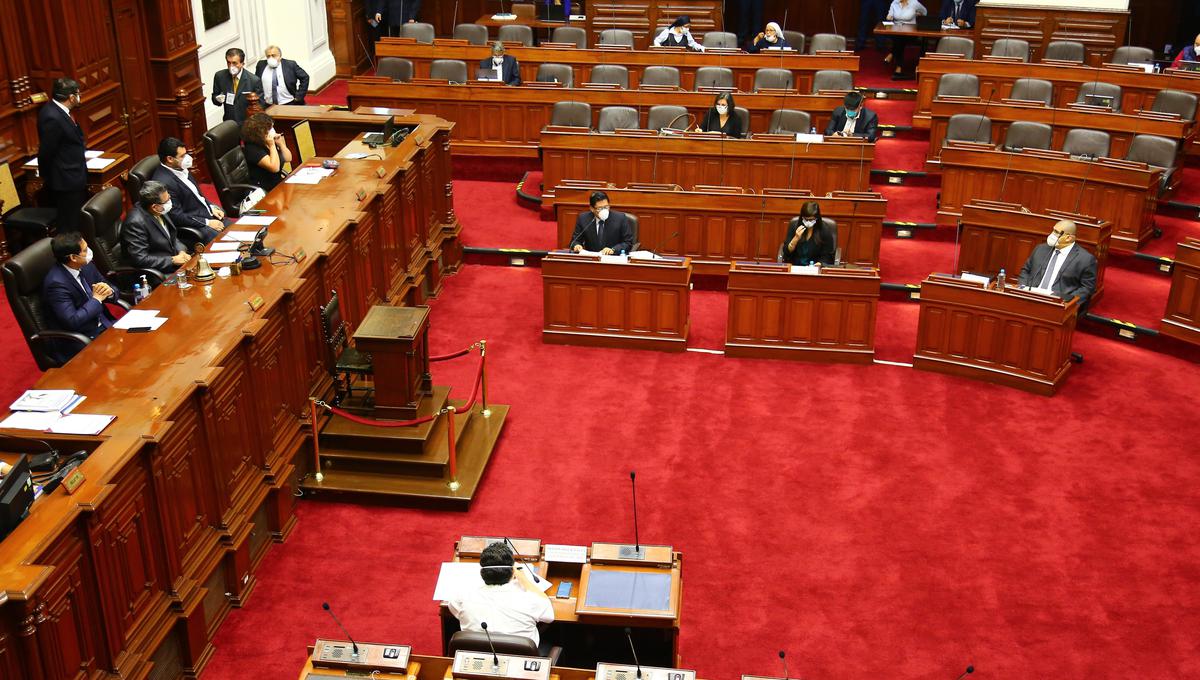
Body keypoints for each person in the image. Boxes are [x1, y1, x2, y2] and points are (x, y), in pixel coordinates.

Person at [446, 543, 554, 647]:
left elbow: (454, 609)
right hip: (519, 662)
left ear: (482, 574)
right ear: (512, 572)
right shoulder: (531, 600)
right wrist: (524, 579)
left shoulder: (461, 597)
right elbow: (549, 616)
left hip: (474, 659)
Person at [43, 232, 118, 360]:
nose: (89, 252)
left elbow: (112, 288)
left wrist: (109, 292)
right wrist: (96, 299)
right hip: (83, 339)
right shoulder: (56, 284)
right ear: (73, 257)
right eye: (85, 250)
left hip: (106, 324)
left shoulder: (86, 266)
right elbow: (72, 321)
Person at [36, 78, 87, 233]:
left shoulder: (60, 111)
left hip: (73, 175)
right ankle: (70, 254)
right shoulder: (52, 116)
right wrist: (46, 175)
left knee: (76, 219)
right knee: (69, 223)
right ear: (71, 97)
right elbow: (47, 151)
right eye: (78, 94)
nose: (79, 97)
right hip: (66, 180)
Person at [151, 137, 223, 247]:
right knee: (229, 244)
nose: (188, 158)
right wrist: (207, 223)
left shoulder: (180, 168)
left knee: (243, 231)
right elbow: (176, 216)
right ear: (170, 159)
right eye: (182, 156)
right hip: (196, 227)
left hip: (207, 215)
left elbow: (198, 194)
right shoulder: (164, 183)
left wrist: (211, 207)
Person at [1018, 220, 1098, 311]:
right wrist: (1022, 290)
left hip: (1058, 304)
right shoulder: (1040, 249)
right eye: (1053, 230)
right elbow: (1025, 270)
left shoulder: (1085, 259)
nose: (1052, 235)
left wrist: (1068, 302)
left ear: (1068, 238)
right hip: (1030, 297)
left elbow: (1087, 288)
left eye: (1056, 233)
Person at [122, 181, 191, 273]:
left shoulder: (160, 209)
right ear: (154, 207)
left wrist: (181, 251)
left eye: (169, 198)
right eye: (167, 201)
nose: (170, 203)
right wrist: (172, 260)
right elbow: (140, 259)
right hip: (158, 272)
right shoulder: (135, 223)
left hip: (175, 262)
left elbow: (172, 236)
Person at [569, 191, 635, 255]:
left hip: (612, 259)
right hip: (592, 260)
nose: (604, 211)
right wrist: (576, 245)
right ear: (592, 208)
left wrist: (613, 250)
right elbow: (575, 240)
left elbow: (628, 242)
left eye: (606, 207)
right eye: (600, 208)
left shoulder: (620, 218)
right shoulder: (583, 218)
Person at [241, 112, 292, 193]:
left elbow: (288, 158)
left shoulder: (268, 141)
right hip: (263, 190)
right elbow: (274, 168)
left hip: (277, 184)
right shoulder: (252, 148)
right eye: (270, 128)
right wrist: (272, 145)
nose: (273, 130)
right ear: (260, 131)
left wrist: (280, 144)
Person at [211, 48, 264, 124]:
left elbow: (260, 105)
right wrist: (217, 99)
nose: (231, 66)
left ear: (242, 64)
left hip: (247, 124)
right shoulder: (220, 76)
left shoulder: (253, 81)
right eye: (229, 63)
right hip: (229, 123)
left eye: (234, 63)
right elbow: (215, 97)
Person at [780, 201, 836, 266]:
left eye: (811, 219)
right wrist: (795, 238)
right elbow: (786, 252)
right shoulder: (794, 226)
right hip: (795, 266)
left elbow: (828, 255)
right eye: (806, 219)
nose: (808, 222)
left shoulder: (824, 229)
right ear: (802, 217)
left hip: (815, 267)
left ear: (816, 218)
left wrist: (820, 263)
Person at [884, 0, 927, 79]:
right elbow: (890, 15)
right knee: (899, 39)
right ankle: (898, 68)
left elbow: (925, 12)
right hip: (897, 32)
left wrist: (918, 14)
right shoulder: (894, 3)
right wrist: (889, 17)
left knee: (900, 40)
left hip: (911, 33)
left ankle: (892, 54)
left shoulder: (914, 3)